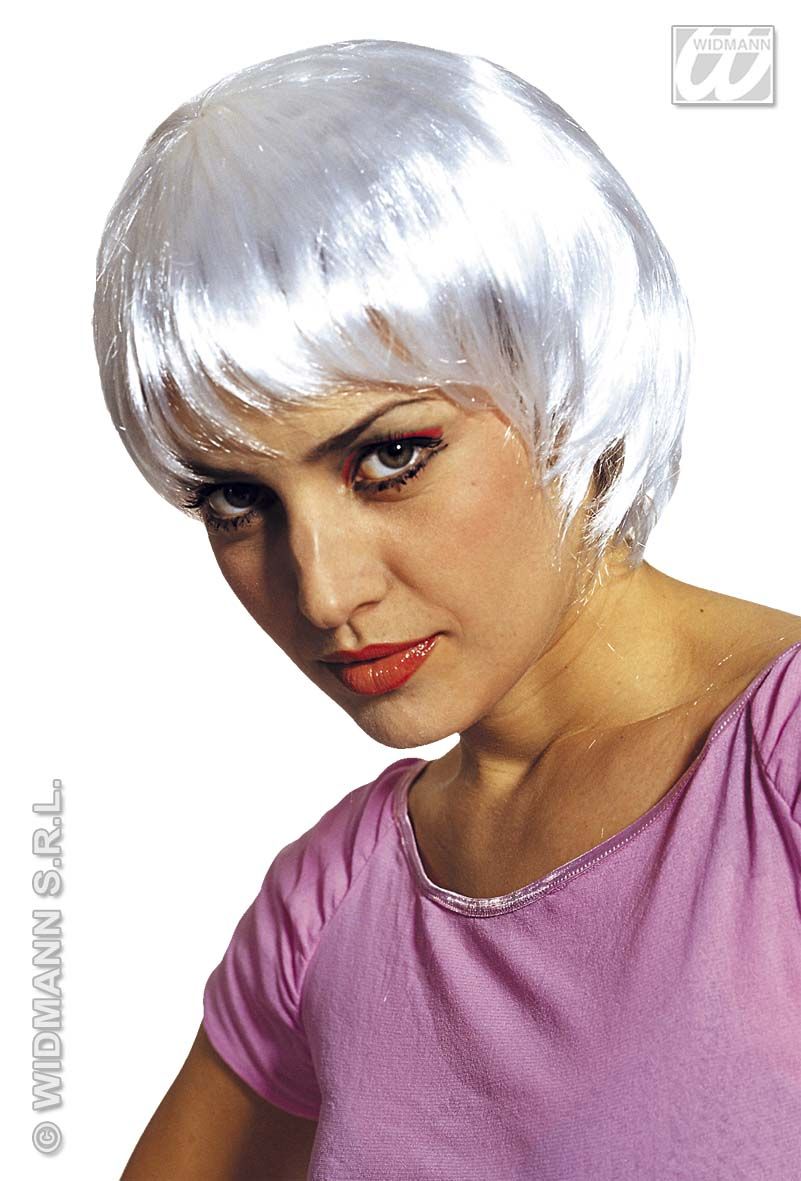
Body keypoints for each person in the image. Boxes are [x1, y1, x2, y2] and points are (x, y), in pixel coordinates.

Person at [94, 39, 801, 1181]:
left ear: (559, 369)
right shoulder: (329, 906)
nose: (324, 590)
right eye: (237, 499)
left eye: (388, 457)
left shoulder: (778, 772)